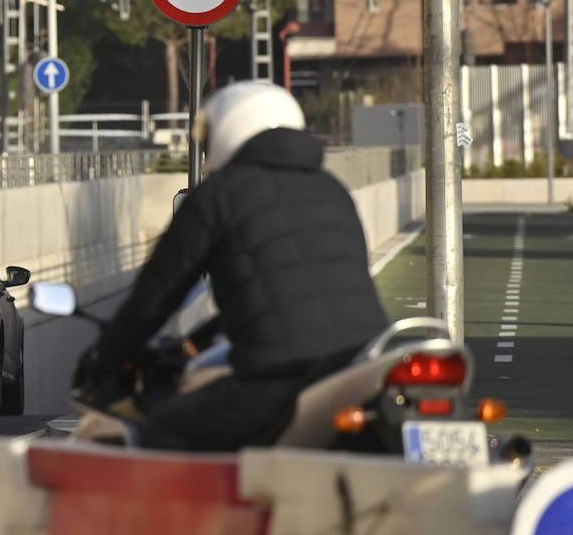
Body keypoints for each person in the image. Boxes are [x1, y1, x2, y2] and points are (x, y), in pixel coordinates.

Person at [72, 81, 389, 452]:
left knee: (160, 430)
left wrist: (107, 355)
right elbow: (299, 283)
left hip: (279, 377)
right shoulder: (333, 189)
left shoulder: (218, 196)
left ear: (230, 131)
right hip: (362, 366)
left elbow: (156, 295)